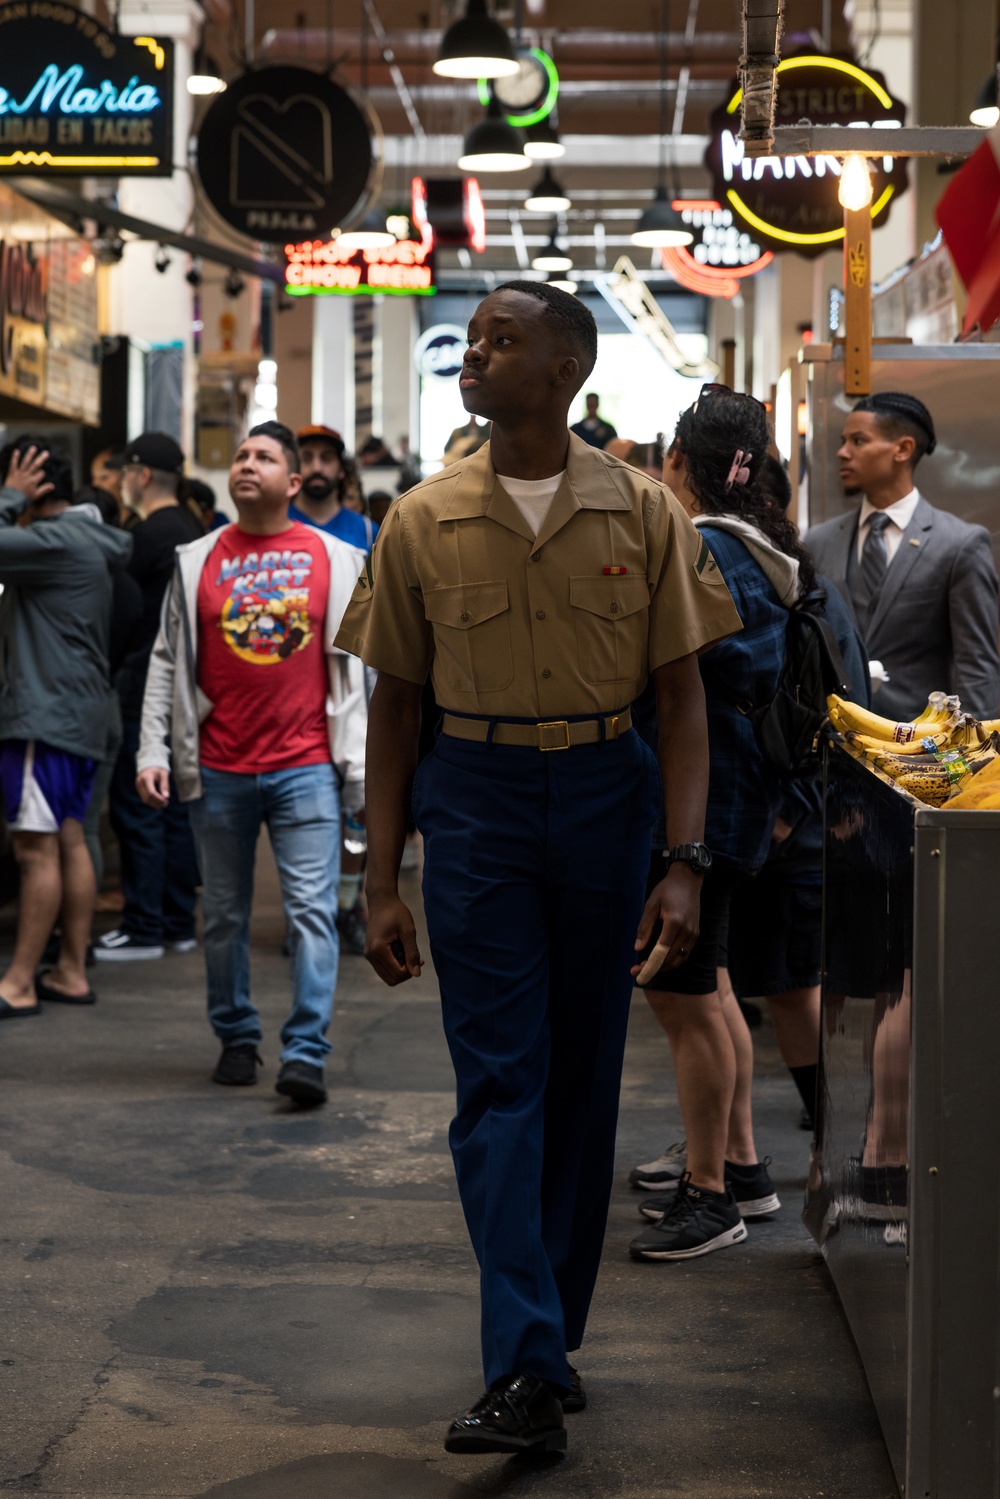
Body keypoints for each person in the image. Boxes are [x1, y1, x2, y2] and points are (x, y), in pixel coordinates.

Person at [335, 281, 741, 1454]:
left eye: (502, 340)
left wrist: (684, 861)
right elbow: (396, 706)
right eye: (471, 340)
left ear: (566, 369)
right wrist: (380, 877)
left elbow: (681, 701)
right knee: (498, 1085)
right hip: (479, 803)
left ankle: (549, 1337)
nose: (475, 354)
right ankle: (520, 1356)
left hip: (608, 796)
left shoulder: (643, 512)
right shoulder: (422, 517)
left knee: (580, 1083)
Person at [626, 388, 816, 1264]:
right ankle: (740, 1166)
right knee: (715, 988)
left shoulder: (707, 550)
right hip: (740, 800)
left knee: (686, 996)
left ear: (677, 463)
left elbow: (679, 667)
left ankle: (709, 1193)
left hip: (702, 805)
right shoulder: (761, 547)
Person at [136, 422, 367, 1105]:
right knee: (225, 915)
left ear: (293, 482)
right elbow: (167, 661)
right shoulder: (196, 557)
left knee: (312, 913)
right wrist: (154, 747)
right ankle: (236, 1034)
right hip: (221, 766)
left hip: (306, 765)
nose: (247, 463)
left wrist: (364, 764)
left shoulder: (336, 556)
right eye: (240, 455)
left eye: (264, 457)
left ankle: (304, 1050)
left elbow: (362, 672)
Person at [0, 442, 133, 1017]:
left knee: (34, 851)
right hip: (79, 714)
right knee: (69, 839)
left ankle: (20, 982)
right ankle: (71, 972)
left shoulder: (55, 540)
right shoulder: (90, 540)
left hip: (45, 714)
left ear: (35, 484)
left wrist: (10, 496)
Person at [807, 391, 1000, 720]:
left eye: (858, 441)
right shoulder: (819, 541)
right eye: (843, 441)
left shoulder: (959, 545)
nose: (842, 453)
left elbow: (977, 666)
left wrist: (970, 759)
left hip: (921, 749)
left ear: (903, 449)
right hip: (835, 747)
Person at [96, 433, 203, 963]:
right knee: (176, 802)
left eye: (121, 472)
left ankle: (143, 925)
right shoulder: (191, 528)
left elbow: (119, 610)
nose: (117, 481)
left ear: (139, 475)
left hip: (143, 681)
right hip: (186, 682)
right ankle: (176, 921)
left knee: (139, 799)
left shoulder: (146, 535)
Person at [72, 485, 144, 895]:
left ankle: (64, 944)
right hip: (108, 703)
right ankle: (73, 941)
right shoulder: (127, 586)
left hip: (75, 714)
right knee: (83, 832)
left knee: (65, 834)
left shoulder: (77, 580)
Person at [290, 425, 376, 553]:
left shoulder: (368, 531)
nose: (316, 468)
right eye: (306, 458)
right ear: (295, 468)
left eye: (326, 458)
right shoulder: (275, 524)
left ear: (341, 469)